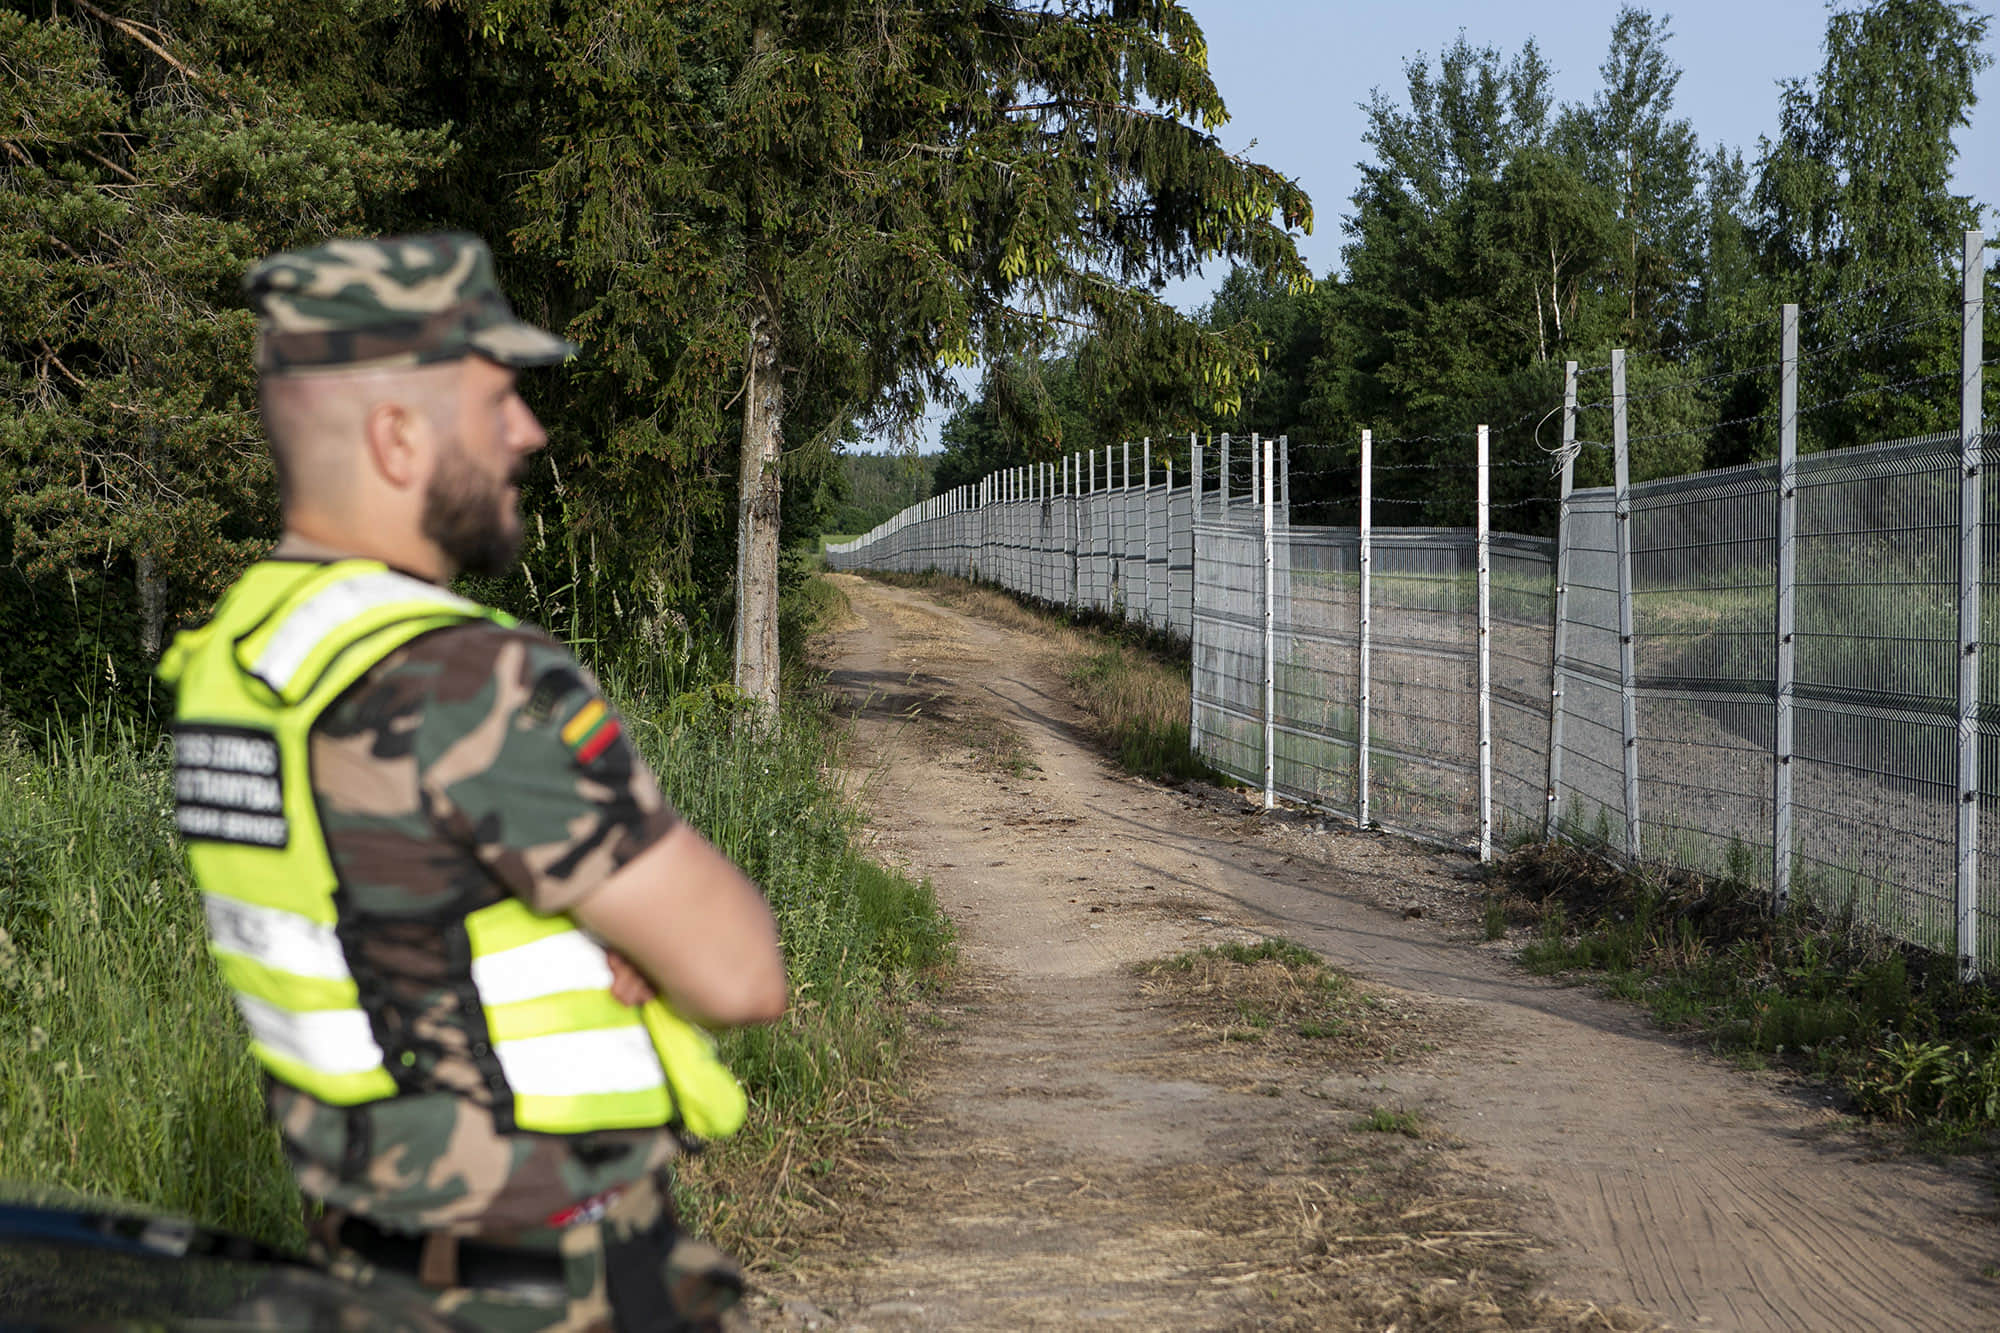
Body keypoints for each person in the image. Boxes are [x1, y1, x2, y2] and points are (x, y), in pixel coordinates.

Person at [157, 233, 788, 1330]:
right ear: (397, 437)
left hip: (362, 1274)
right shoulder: (459, 677)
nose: (528, 433)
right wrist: (631, 941)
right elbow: (739, 971)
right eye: (495, 402)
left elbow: (387, 918)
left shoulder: (233, 662)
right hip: (547, 1289)